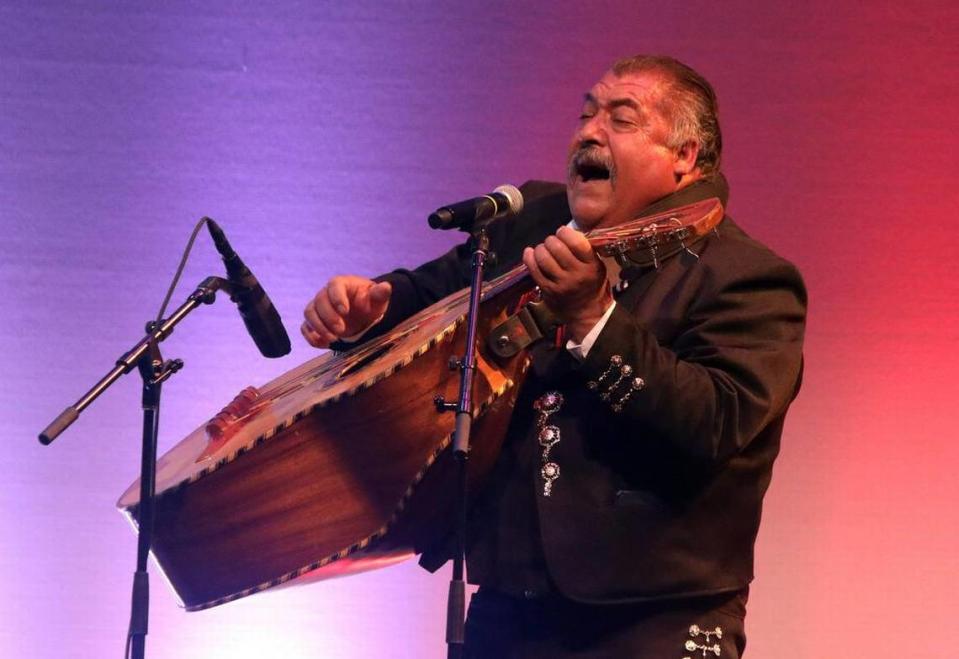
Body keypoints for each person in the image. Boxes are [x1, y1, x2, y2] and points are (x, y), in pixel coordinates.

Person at [301, 55, 806, 658]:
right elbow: (427, 295)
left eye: (622, 119)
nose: (589, 131)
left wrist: (595, 317)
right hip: (508, 601)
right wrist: (370, 310)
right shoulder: (532, 223)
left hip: (655, 619)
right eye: (587, 112)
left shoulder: (748, 276)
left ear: (685, 158)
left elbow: (714, 423)